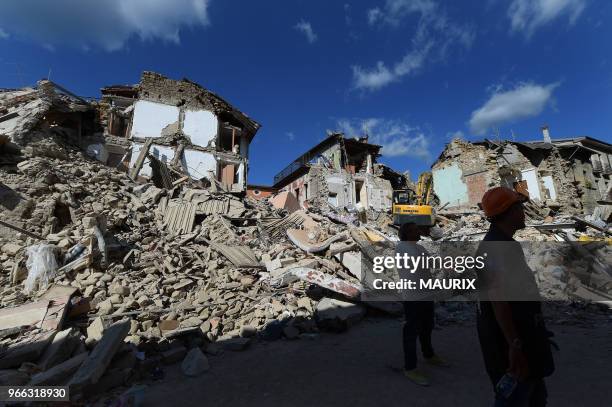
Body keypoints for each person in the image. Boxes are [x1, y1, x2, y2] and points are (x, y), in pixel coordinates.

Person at [476, 187, 554, 406]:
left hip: (524, 337)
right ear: (508, 211)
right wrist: (514, 344)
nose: (524, 212)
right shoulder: (495, 247)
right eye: (520, 207)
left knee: (535, 397)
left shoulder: (504, 244)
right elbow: (498, 299)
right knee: (515, 398)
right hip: (508, 344)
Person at [397, 222, 449, 386]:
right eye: (414, 230)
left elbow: (430, 264)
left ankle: (428, 355)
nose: (419, 231)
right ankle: (410, 368)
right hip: (413, 297)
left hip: (426, 294)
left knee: (427, 327)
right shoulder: (402, 248)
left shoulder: (419, 248)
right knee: (411, 333)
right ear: (407, 234)